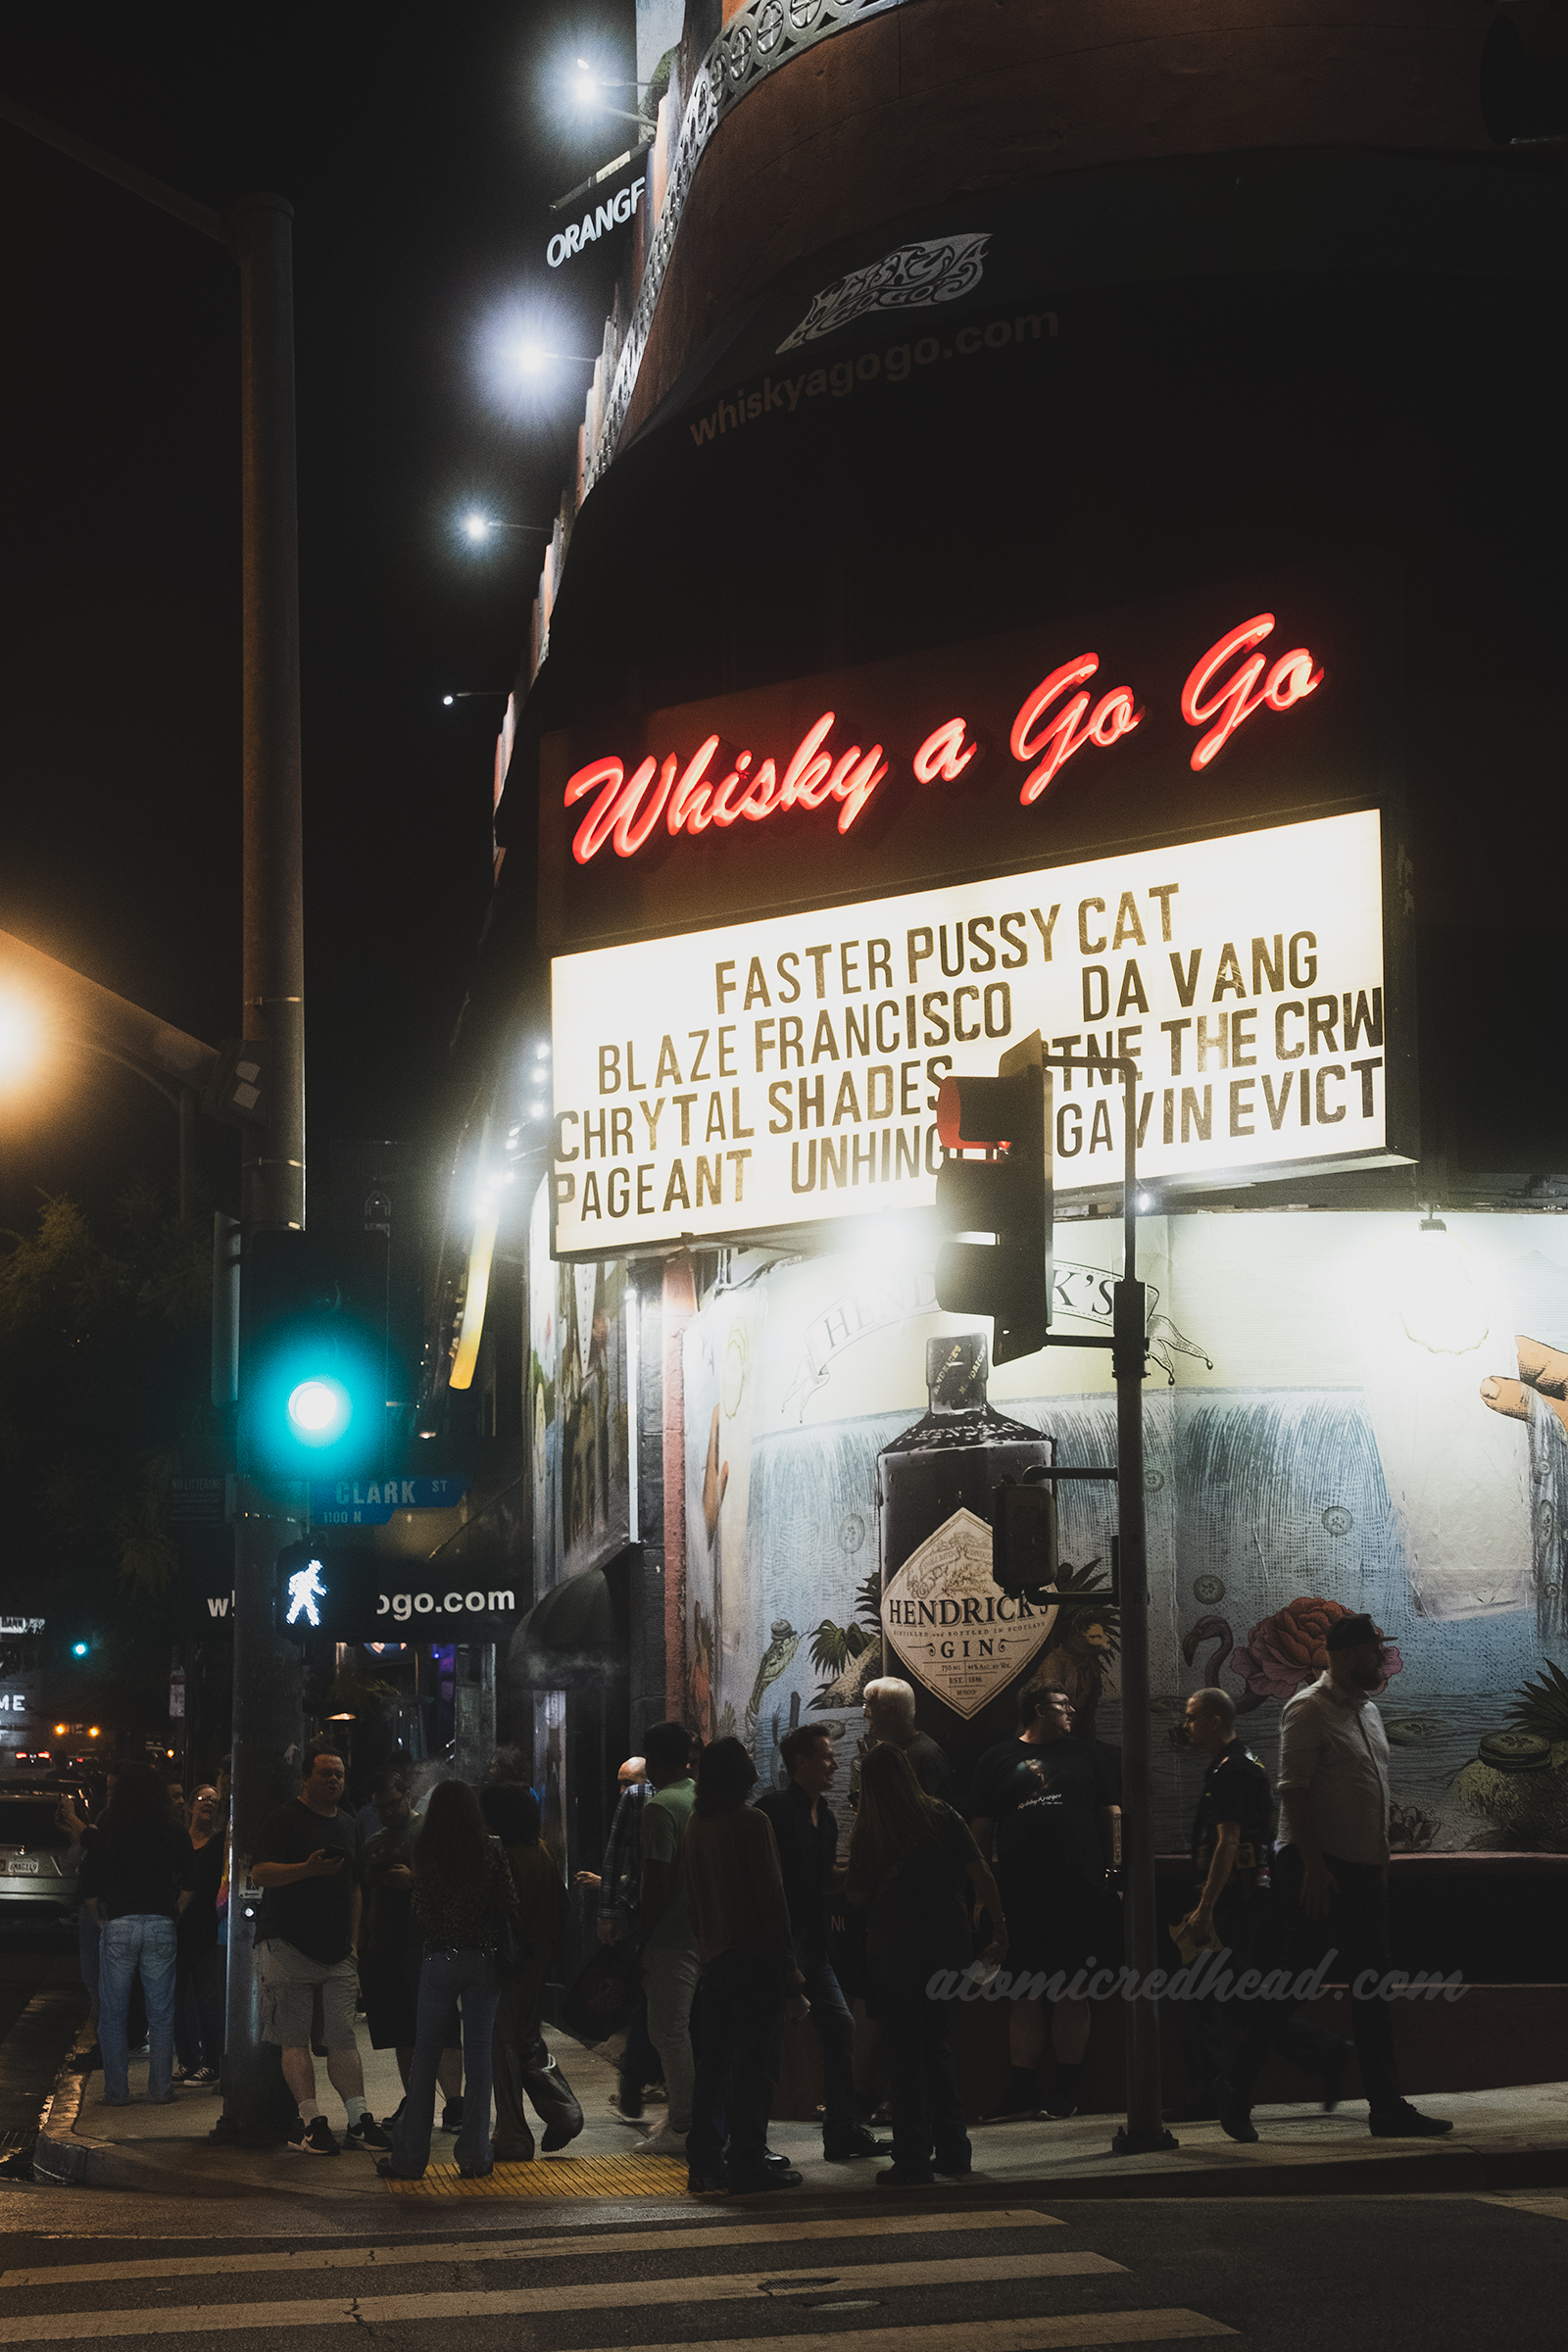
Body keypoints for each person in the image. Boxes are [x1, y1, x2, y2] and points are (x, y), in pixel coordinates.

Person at [1219, 1614, 1454, 2142]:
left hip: (1364, 1870)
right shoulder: (1307, 1708)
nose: (1381, 1659)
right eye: (1374, 1650)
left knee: (1372, 1988)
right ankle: (1235, 2084)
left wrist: (1381, 1863)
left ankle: (1386, 2109)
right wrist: (1314, 1867)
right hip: (1318, 1869)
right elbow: (1293, 1790)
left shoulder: (1368, 1710)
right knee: (1294, 1982)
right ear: (1345, 1655)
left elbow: (1370, 1790)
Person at [1169, 1690, 1341, 2121]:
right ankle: (1321, 2051)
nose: (1186, 1725)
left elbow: (1228, 1841)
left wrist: (1205, 1907)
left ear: (1214, 1721)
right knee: (1224, 1994)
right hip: (1243, 1899)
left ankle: (1317, 2052)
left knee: (1206, 1991)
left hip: (1235, 1902)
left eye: (1191, 1717)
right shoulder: (1236, 1765)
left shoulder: (1233, 1771)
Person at [848, 1742, 1005, 2185]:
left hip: (892, 1951)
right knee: (937, 2045)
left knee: (904, 2053)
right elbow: (981, 1872)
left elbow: (857, 1897)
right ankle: (954, 2150)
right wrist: (1000, 1927)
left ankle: (913, 2157)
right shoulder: (942, 1814)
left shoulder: (870, 1829)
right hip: (946, 1949)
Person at [969, 1680, 1121, 2121]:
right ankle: (1022, 2090)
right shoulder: (996, 1759)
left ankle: (1066, 2090)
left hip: (1080, 1892)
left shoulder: (1089, 1755)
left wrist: (1117, 1875)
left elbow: (1113, 1816)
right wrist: (981, 1892)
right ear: (1039, 1709)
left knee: (1072, 1989)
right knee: (1024, 1992)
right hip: (1020, 1894)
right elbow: (980, 1831)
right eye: (1062, 1703)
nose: (1071, 1709)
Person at [250, 1741, 390, 2156]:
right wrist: (306, 1869)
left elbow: (355, 1887)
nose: (333, 1780)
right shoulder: (283, 1819)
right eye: (325, 1773)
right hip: (286, 1945)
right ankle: (312, 2122)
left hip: (337, 1952)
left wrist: (353, 1944)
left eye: (339, 1775)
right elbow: (260, 1873)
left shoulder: (348, 1823)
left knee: (342, 2038)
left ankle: (359, 2119)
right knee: (293, 2038)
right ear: (305, 1779)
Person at [377, 1778, 518, 2181]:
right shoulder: (491, 1848)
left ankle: (409, 2159)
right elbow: (508, 1901)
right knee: (479, 2057)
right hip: (484, 1959)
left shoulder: (427, 1850)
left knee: (425, 2055)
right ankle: (474, 2156)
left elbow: (421, 1908)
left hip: (440, 1957)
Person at [756, 1725, 885, 2162]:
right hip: (779, 1942)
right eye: (826, 1756)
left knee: (840, 2025)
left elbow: (824, 1879)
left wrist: (860, 1870)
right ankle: (750, 2143)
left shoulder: (825, 1815)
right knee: (767, 2040)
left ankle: (841, 2131)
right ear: (801, 1763)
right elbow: (766, 1882)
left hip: (813, 1942)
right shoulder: (774, 1810)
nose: (834, 1763)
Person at [683, 1736, 805, 2194]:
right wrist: (789, 1966)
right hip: (755, 1960)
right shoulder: (752, 1822)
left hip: (713, 1962)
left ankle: (704, 2163)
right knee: (755, 2067)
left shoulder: (697, 1824)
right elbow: (772, 1899)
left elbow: (692, 1899)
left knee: (712, 2067)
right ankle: (747, 2160)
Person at [77, 1761, 195, 2106]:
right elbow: (192, 1880)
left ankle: (117, 2091)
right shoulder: (173, 1830)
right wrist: (175, 1913)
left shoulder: (110, 1830)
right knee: (161, 2013)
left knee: (113, 2014)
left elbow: (88, 1882)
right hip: (160, 1922)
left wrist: (101, 1919)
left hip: (119, 1923)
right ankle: (160, 2089)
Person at [481, 1780, 584, 2160]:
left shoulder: (502, 1858)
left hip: (509, 1962)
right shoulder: (540, 1850)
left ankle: (512, 2133)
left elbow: (500, 1912)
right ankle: (563, 2110)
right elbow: (563, 1906)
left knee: (502, 2044)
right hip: (538, 1960)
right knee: (526, 2039)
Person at [358, 1770, 462, 2129]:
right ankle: (416, 2100)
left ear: (407, 1797)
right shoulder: (374, 1843)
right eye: (380, 1808)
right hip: (387, 1943)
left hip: (426, 1941)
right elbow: (366, 1896)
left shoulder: (429, 1834)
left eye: (392, 1804)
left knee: (442, 2025)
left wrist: (413, 1881)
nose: (387, 1813)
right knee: (401, 2029)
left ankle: (454, 2102)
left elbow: (453, 1886)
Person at [633, 1719, 700, 2157]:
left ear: (654, 1760)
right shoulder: (699, 1797)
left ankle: (683, 2125)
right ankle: (683, 2113)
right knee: (690, 2032)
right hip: (703, 1931)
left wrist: (641, 1935)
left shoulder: (660, 1807)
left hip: (671, 1935)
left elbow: (656, 1878)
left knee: (668, 2033)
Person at [582, 1756, 662, 2121]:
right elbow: (626, 1863)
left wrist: (610, 1908)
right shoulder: (644, 1800)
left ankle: (638, 2076)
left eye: (628, 1781)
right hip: (648, 1918)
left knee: (649, 2001)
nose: (622, 1790)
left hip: (645, 1915)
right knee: (648, 1999)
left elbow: (620, 1862)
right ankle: (639, 2076)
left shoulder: (641, 1798)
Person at [172, 1783, 226, 2087]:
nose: (208, 1803)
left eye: (214, 1800)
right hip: (178, 1927)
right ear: (190, 1805)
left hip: (206, 1927)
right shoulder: (179, 1839)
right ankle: (188, 2060)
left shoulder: (219, 1842)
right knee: (177, 1998)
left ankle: (212, 2063)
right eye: (203, 1798)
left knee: (207, 1999)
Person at [862, 1679, 956, 1804]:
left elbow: (935, 1812)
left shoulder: (925, 1756)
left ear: (890, 1712)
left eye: (870, 1707)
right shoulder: (901, 1751)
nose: (865, 1714)